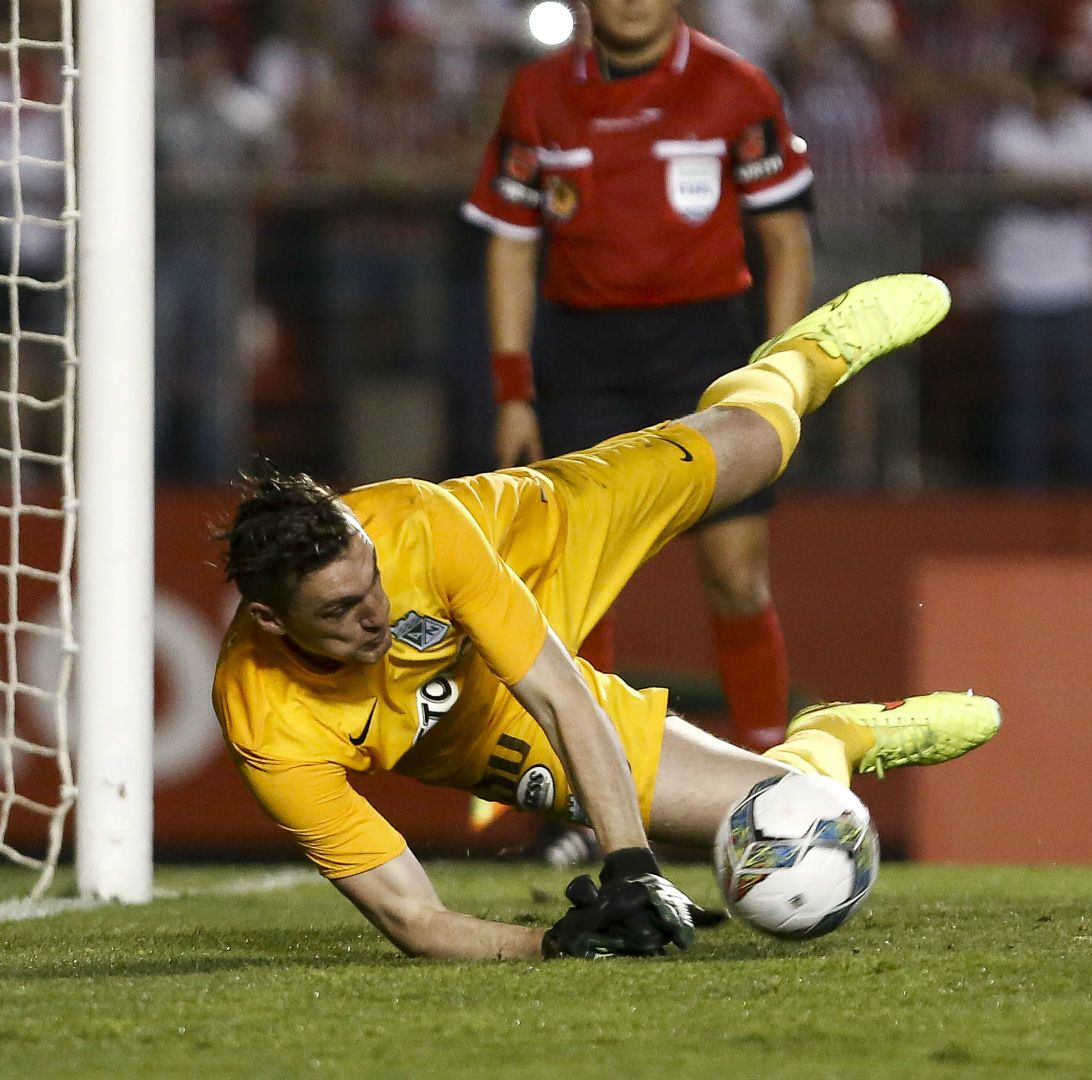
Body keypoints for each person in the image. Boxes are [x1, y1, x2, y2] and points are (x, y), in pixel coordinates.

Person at [211, 274, 999, 960]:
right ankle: (836, 736)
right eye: (341, 609)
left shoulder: (418, 526)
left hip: (542, 537)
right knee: (786, 815)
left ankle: (806, 356)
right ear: (273, 623)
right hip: (488, 720)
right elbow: (414, 919)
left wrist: (632, 866)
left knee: (755, 446)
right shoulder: (266, 724)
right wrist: (558, 944)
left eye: (372, 582)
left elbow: (560, 696)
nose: (376, 614)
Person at [466, 0, 814, 753]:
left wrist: (782, 371)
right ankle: (586, 786)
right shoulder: (538, 93)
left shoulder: (736, 87)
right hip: (585, 358)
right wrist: (513, 391)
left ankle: (771, 771)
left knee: (735, 576)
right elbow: (512, 247)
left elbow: (786, 239)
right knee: (581, 589)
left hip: (708, 352)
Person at [981, 53, 1092, 487]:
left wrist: (1043, 185)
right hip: (1018, 283)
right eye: (1044, 90)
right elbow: (1006, 182)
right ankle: (1024, 493)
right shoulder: (1007, 128)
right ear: (1033, 91)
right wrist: (1075, 187)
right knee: (1024, 398)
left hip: (1079, 281)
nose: (1052, 99)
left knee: (1086, 394)